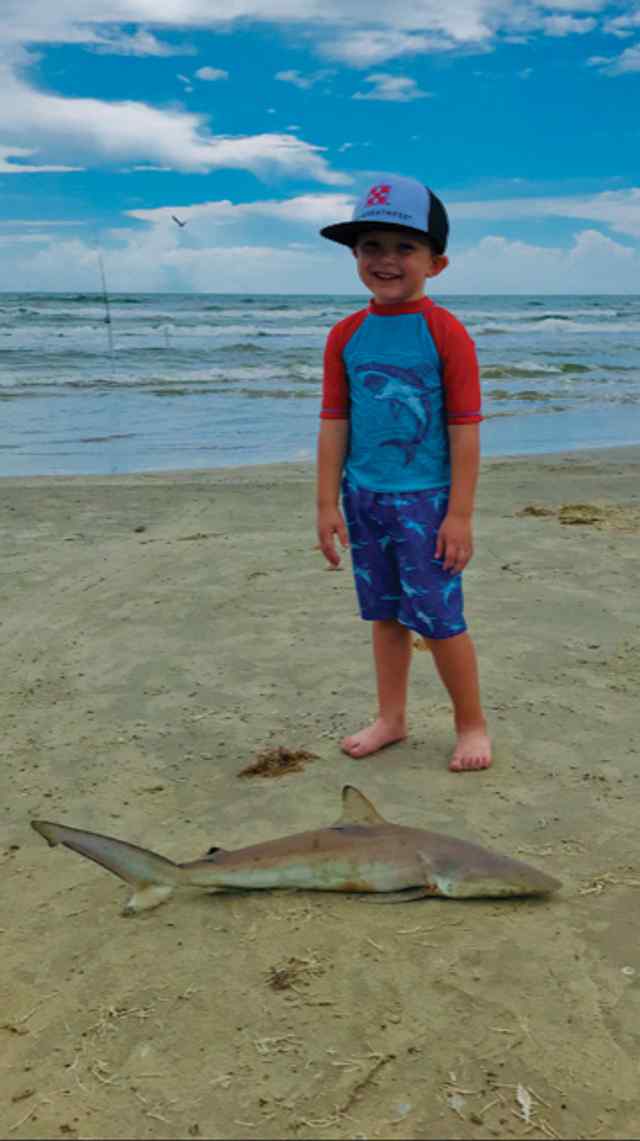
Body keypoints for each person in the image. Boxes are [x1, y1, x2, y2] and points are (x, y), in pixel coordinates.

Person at [316, 174, 491, 772]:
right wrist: (325, 503)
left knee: (441, 620)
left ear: (436, 264)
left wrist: (459, 514)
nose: (386, 260)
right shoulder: (346, 335)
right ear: (355, 257)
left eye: (404, 247)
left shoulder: (446, 333)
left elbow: (465, 428)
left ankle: (471, 725)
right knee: (385, 614)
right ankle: (392, 718)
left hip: (427, 503)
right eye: (371, 247)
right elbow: (335, 422)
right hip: (364, 497)